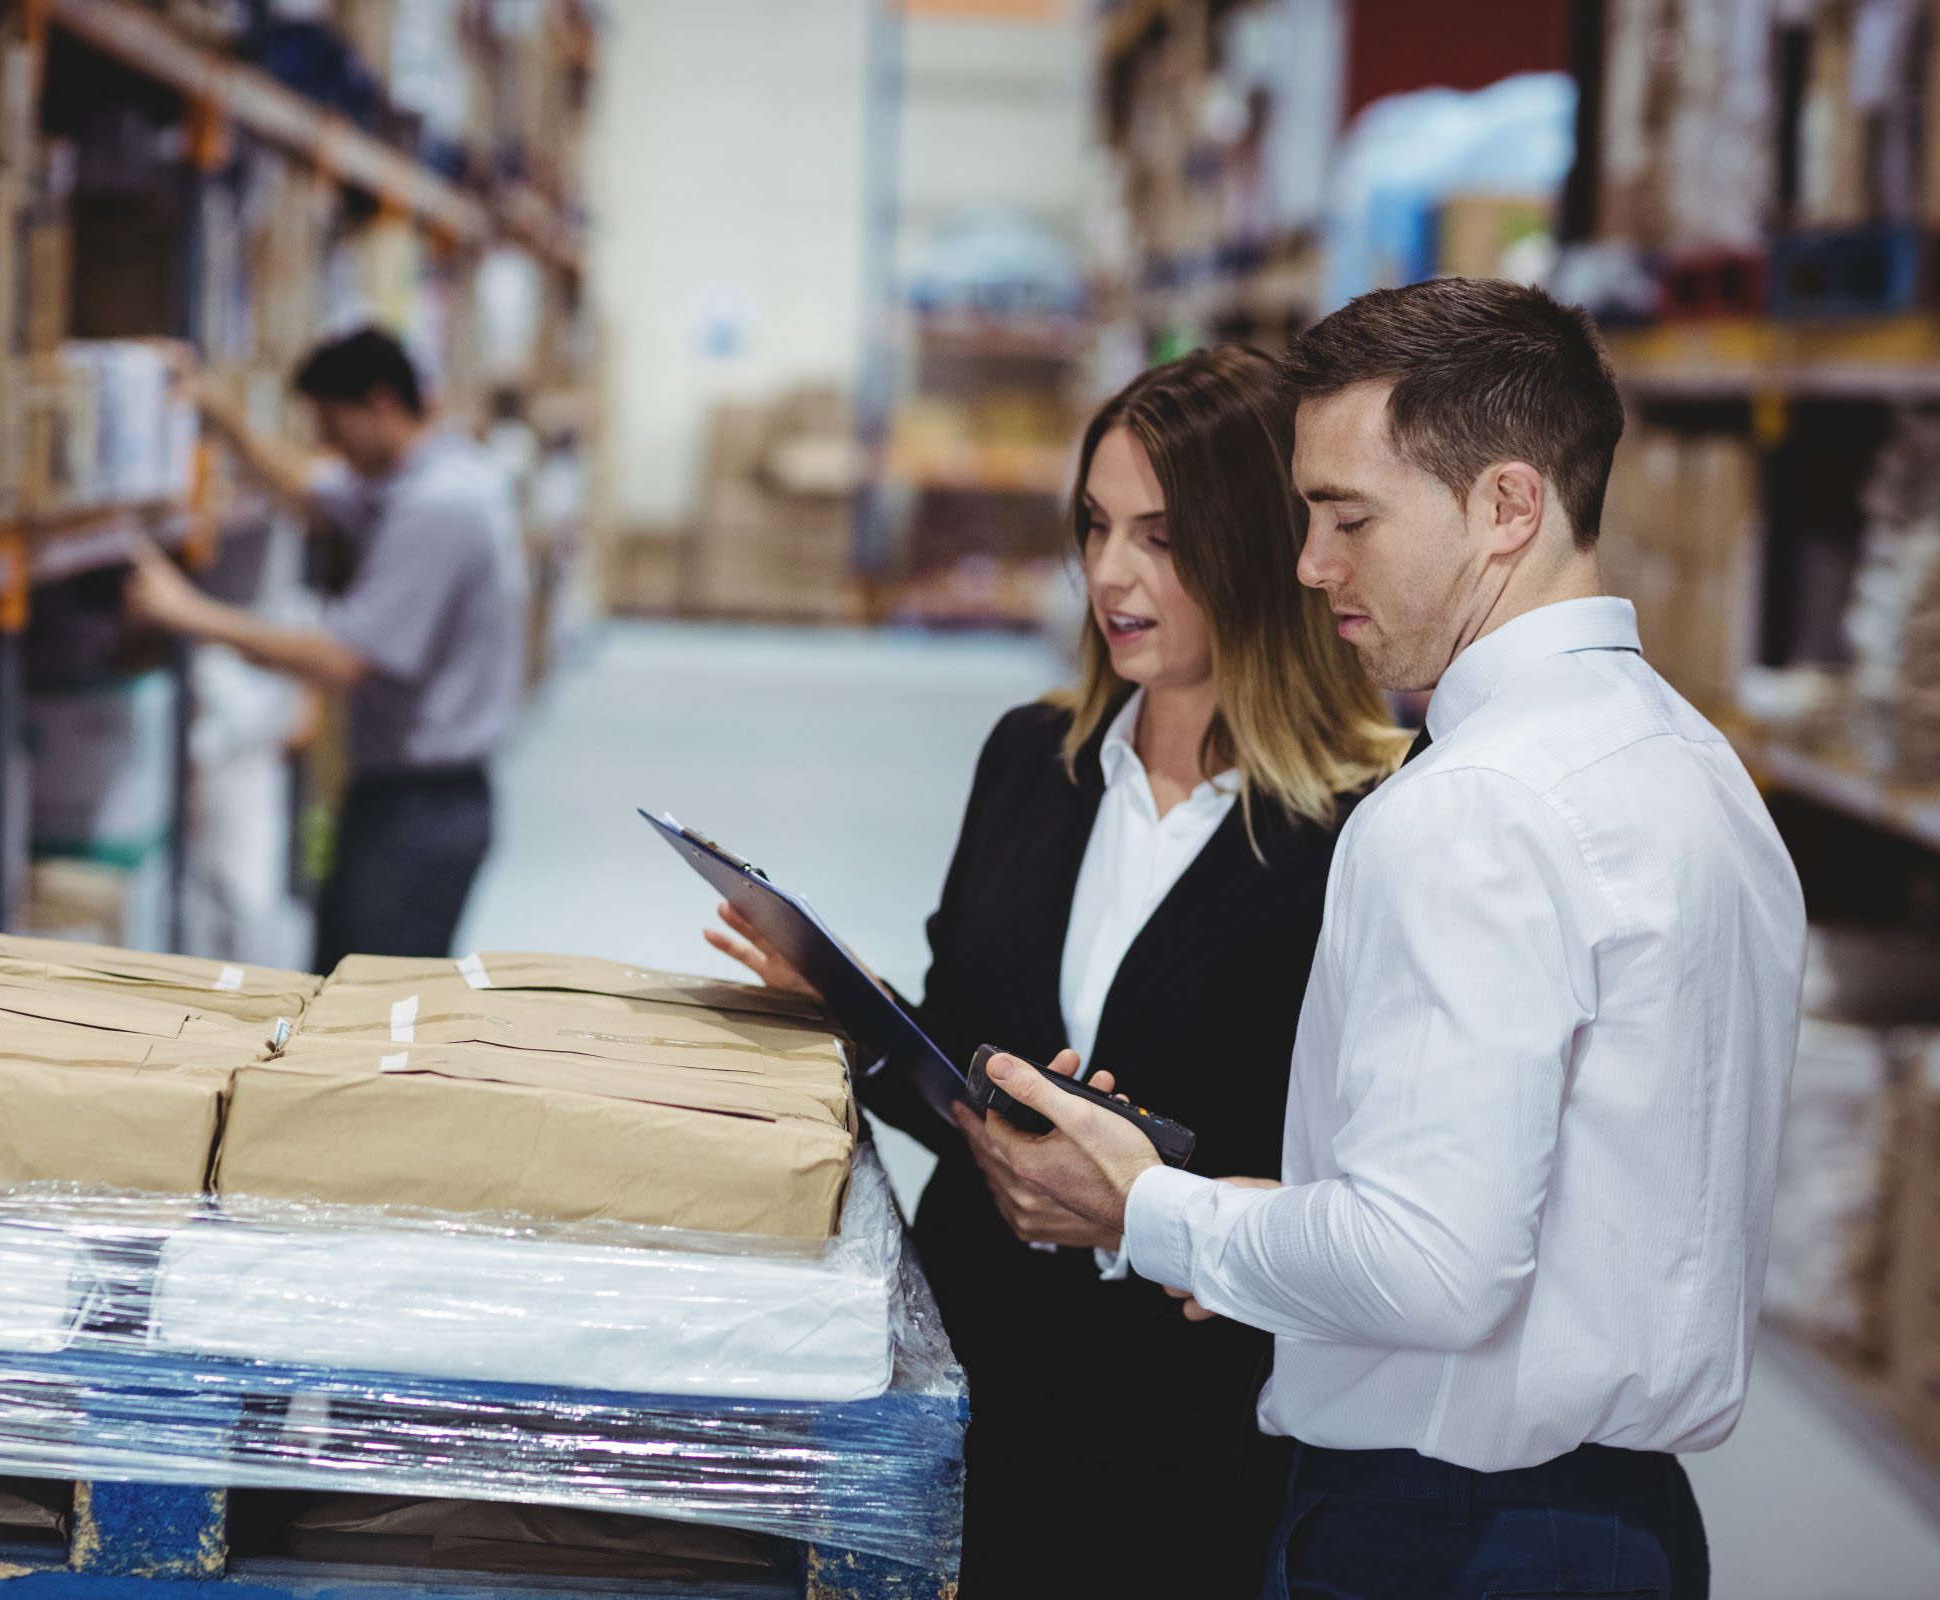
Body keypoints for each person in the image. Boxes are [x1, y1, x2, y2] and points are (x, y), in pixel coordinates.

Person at [979, 278, 1807, 1600]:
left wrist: (1149, 1209)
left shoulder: (1468, 810)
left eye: (1347, 516)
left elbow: (1432, 1269)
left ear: (1508, 507)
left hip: (1446, 1532)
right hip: (1625, 1521)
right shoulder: (1689, 764)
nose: (1310, 564)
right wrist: (1285, 1215)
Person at [709, 346, 1408, 1597]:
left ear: (1260, 547)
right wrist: (853, 1015)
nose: (1109, 574)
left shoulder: (1366, 827)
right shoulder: (1035, 759)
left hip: (1188, 1441)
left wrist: (1134, 1193)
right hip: (971, 1375)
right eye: (1094, 527)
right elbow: (966, 1064)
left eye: (1161, 534)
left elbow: (1365, 1185)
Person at [128, 327, 528, 967]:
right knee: (347, 979)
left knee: (372, 1008)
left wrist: (189, 613)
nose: (323, 441)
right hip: (403, 796)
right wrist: (220, 411)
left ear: (379, 403)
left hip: (423, 807)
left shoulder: (438, 506)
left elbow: (342, 659)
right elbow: (306, 485)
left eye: (330, 420)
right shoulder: (422, 472)